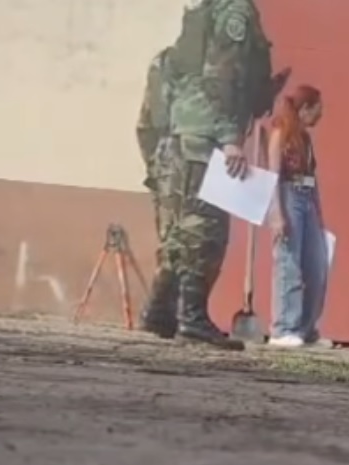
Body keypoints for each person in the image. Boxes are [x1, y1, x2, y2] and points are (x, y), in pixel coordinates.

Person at [152, 0, 281, 350]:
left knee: (181, 230)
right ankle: (191, 319)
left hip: (183, 133)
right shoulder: (235, 11)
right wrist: (229, 139)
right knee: (205, 230)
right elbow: (226, 75)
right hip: (206, 136)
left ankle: (160, 313)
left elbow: (172, 76)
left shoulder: (206, 10)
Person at [265, 85, 333, 348]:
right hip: (289, 196)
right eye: (318, 110)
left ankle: (306, 328)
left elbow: (312, 178)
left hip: (306, 200)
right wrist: (276, 213)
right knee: (289, 264)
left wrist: (318, 212)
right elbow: (273, 175)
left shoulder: (305, 138)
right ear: (305, 109)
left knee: (317, 266)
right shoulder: (281, 133)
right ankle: (283, 327)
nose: (320, 115)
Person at [136, 46, 180, 339]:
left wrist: (155, 165)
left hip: (165, 162)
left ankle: (164, 313)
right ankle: (158, 312)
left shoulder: (163, 60)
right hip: (184, 162)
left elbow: (144, 126)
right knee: (182, 242)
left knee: (174, 240)